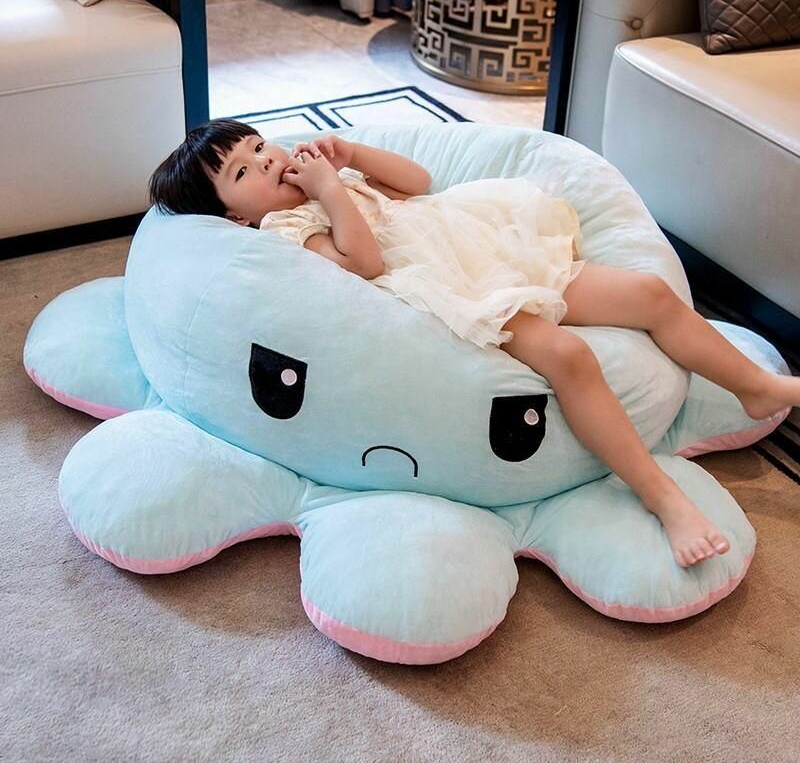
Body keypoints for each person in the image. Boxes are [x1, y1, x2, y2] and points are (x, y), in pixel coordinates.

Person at [149, 119, 800, 569]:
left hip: (488, 247)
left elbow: (418, 181)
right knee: (569, 357)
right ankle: (661, 496)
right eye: (244, 169)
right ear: (236, 215)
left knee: (651, 293)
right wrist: (327, 192)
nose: (267, 160)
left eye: (259, 146)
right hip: (455, 287)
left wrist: (351, 156)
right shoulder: (286, 226)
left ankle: (756, 387)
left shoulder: (331, 179)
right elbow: (364, 263)